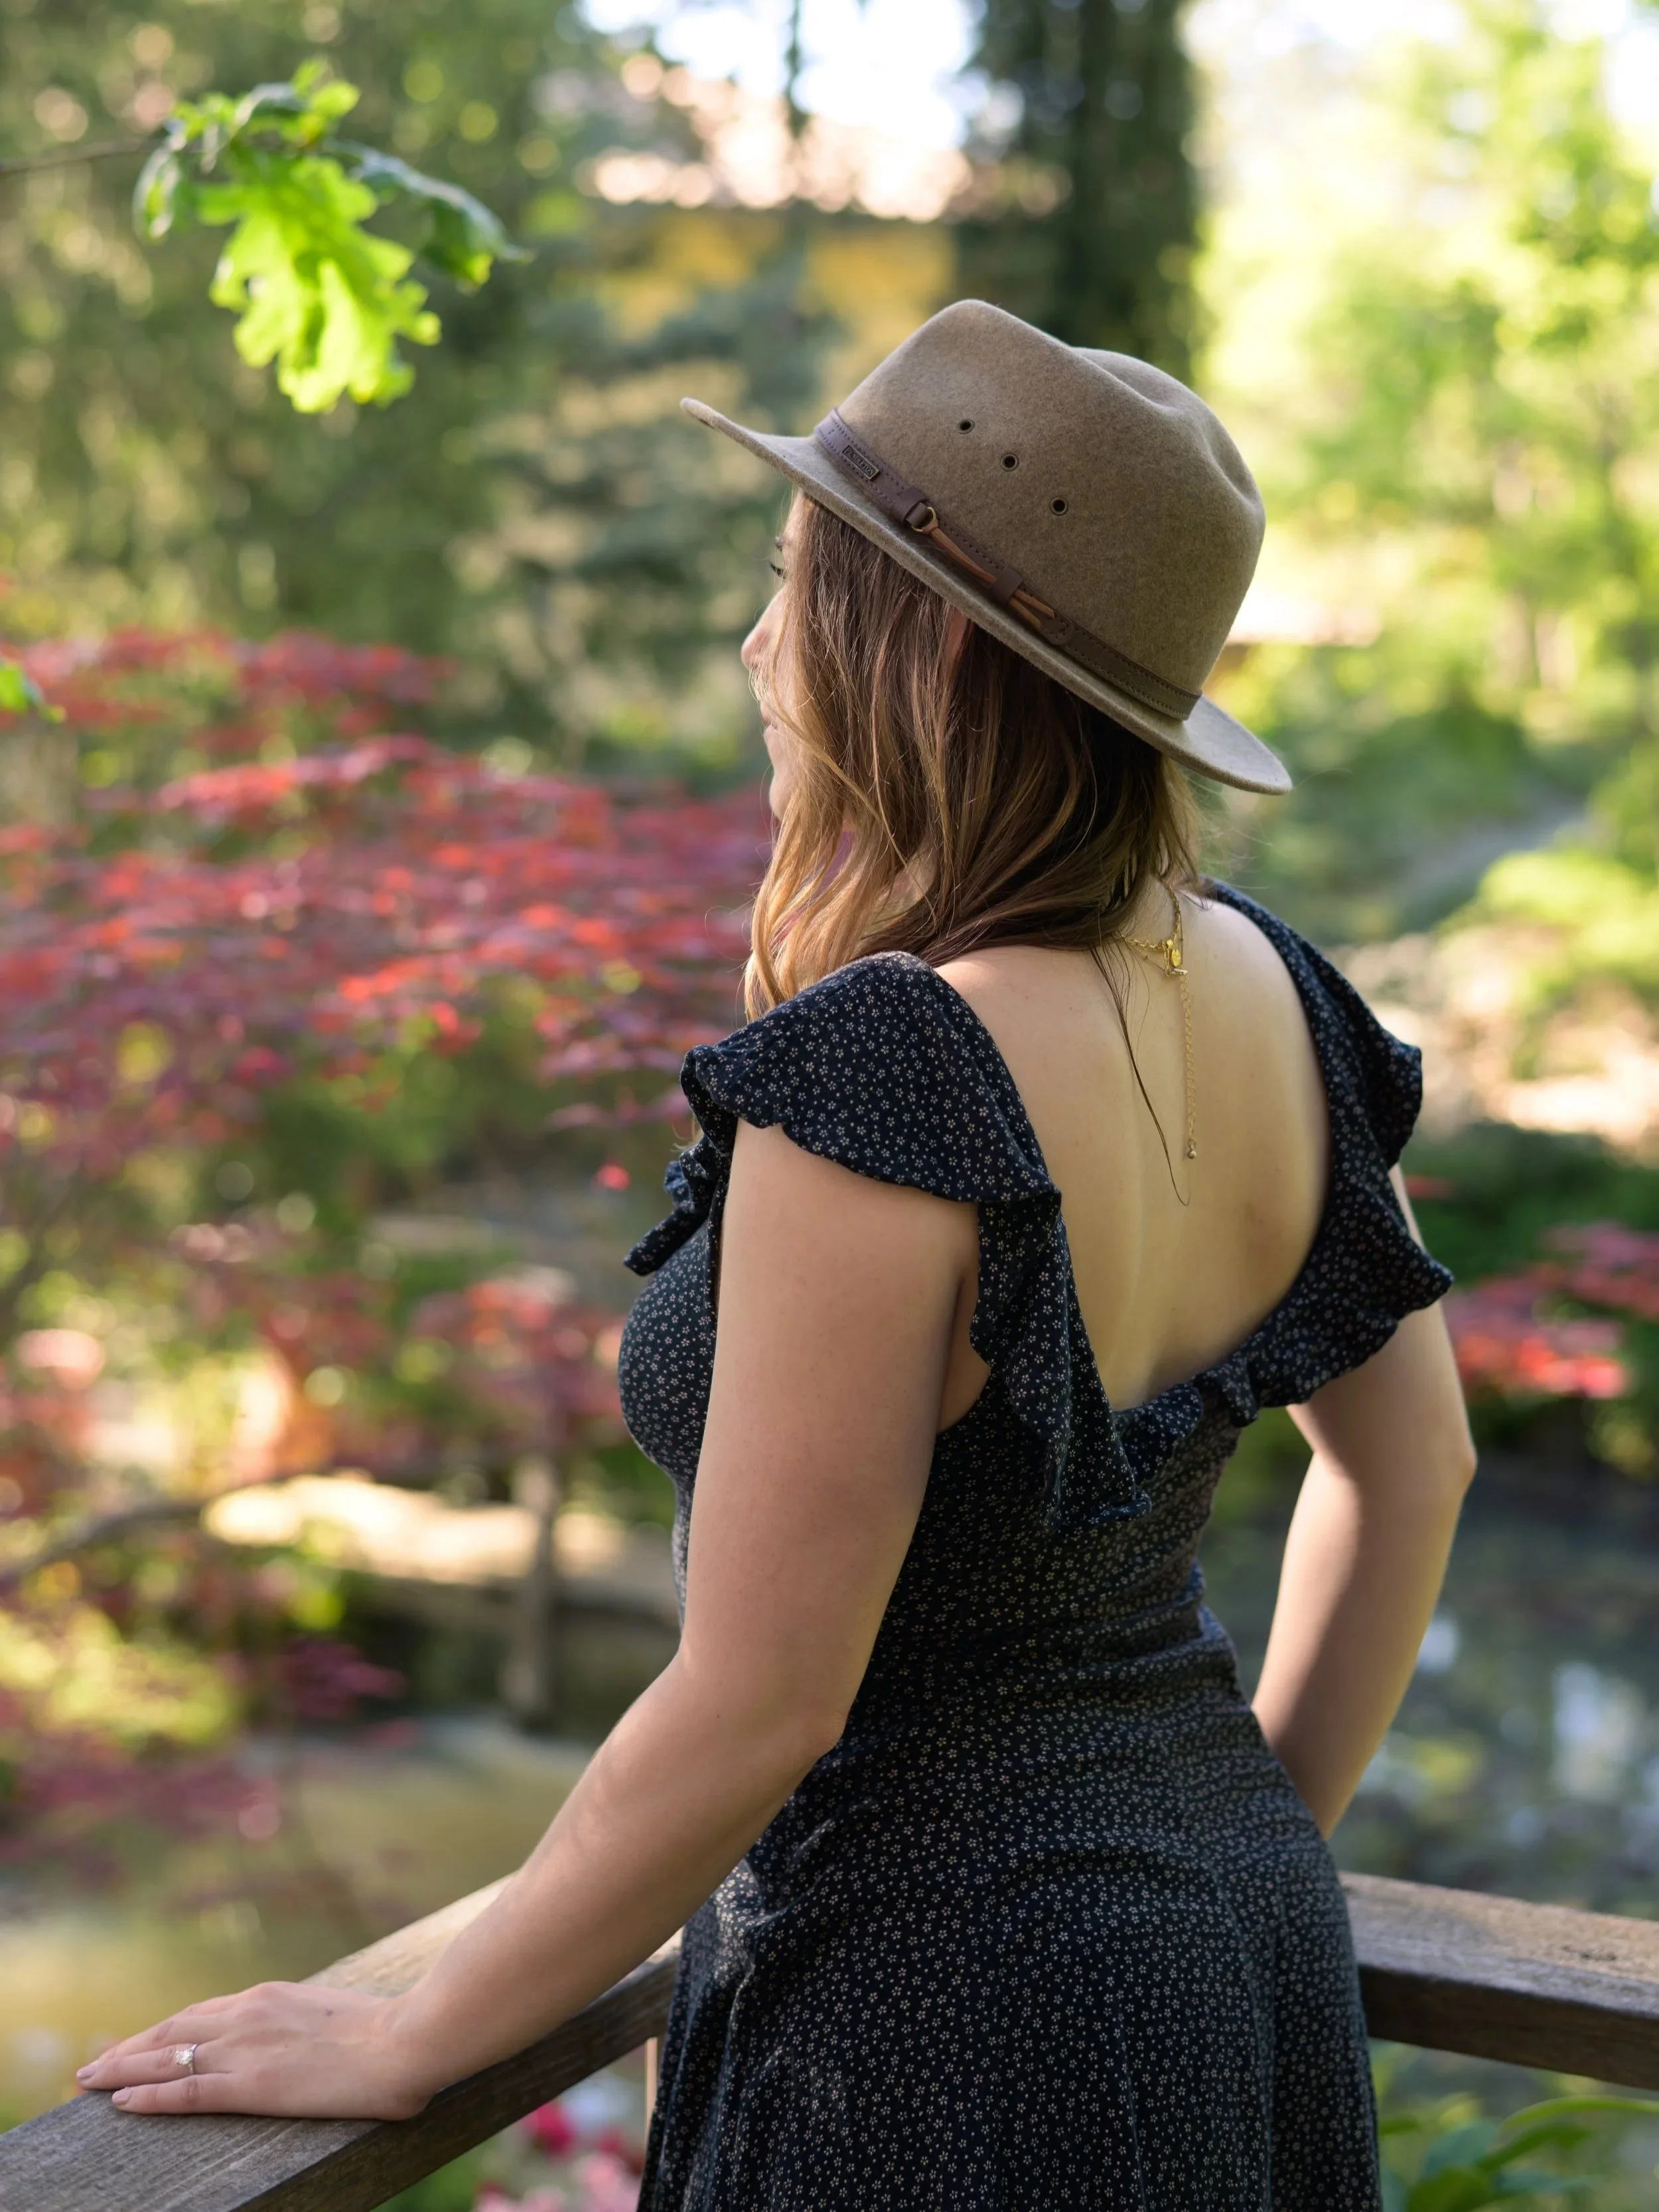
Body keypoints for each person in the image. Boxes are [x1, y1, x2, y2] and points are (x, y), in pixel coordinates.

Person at [79, 302, 1475, 2209]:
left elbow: (761, 1697)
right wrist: (1229, 1854)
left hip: (923, 2015)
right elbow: (1415, 1474)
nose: (755, 645)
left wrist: (415, 2027)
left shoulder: (890, 1064)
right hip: (1233, 1965)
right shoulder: (1282, 989)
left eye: (791, 588)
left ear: (919, 654)